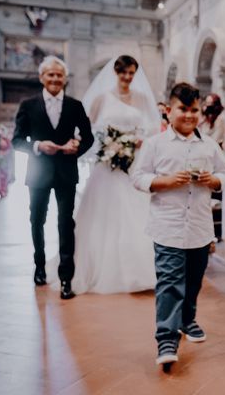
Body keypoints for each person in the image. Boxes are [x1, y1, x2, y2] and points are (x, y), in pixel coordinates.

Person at [131, 82, 225, 368]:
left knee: (194, 279)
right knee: (169, 282)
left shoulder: (209, 144)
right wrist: (164, 181)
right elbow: (138, 177)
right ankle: (166, 337)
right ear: (168, 110)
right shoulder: (155, 144)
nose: (189, 115)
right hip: (168, 225)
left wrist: (214, 181)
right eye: (182, 109)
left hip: (199, 227)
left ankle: (188, 319)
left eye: (194, 110)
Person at [47, 55, 160, 294]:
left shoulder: (141, 98)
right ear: (116, 73)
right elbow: (88, 130)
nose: (128, 78)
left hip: (135, 162)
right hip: (108, 165)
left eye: (131, 73)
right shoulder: (101, 98)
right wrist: (108, 145)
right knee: (105, 214)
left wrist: (140, 141)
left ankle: (144, 269)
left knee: (138, 212)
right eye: (123, 73)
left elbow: (152, 129)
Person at [12, 55, 94, 299]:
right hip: (38, 173)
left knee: (66, 224)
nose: (55, 79)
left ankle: (66, 278)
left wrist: (76, 146)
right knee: (37, 221)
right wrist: (38, 146)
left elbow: (88, 137)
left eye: (59, 75)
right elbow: (17, 140)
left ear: (65, 79)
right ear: (41, 78)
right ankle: (39, 267)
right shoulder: (28, 104)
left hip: (66, 172)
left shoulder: (75, 105)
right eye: (51, 74)